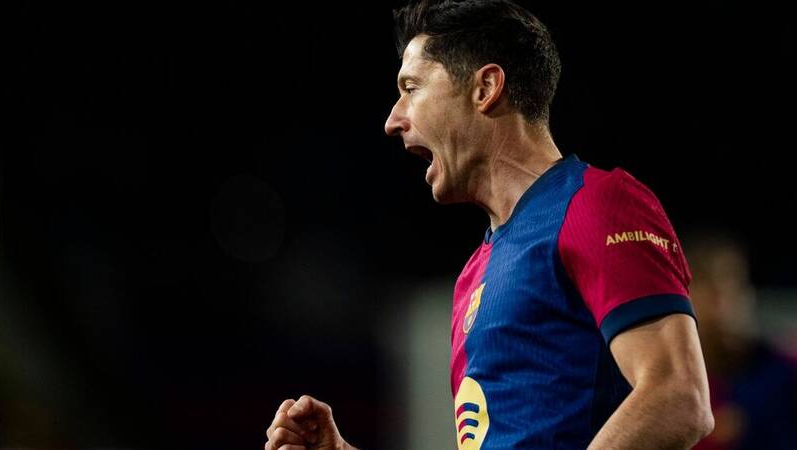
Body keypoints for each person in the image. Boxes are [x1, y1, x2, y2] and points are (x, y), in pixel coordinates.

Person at [264, 0, 714, 448]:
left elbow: (678, 398)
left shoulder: (594, 204)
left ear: (485, 88)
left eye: (412, 88)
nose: (392, 120)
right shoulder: (473, 276)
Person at [685, 233, 797, 450]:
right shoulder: (669, 387)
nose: (723, 298)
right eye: (707, 285)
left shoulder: (784, 370)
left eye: (733, 282)